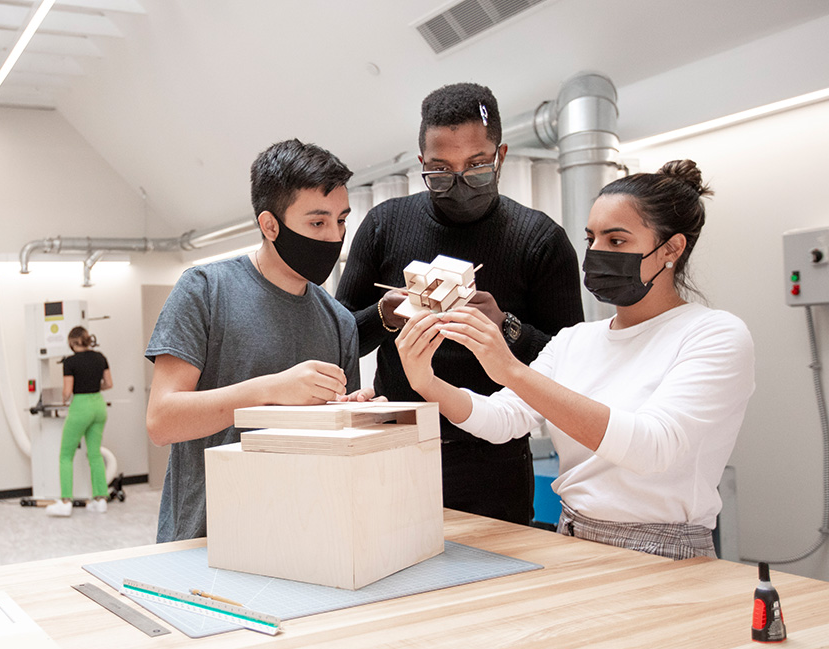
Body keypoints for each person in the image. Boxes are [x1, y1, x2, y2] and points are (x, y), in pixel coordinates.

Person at [396, 160, 755, 560]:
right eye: (591, 239)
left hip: (663, 550)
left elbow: (652, 448)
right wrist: (427, 382)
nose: (597, 253)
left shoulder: (715, 334)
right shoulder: (575, 340)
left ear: (671, 248)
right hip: (570, 537)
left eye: (616, 241)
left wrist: (510, 369)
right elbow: (503, 420)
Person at [336, 82, 584, 525]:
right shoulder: (384, 225)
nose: (459, 183)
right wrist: (383, 316)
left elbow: (571, 366)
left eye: (476, 167)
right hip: (396, 449)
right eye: (440, 171)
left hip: (494, 460)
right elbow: (340, 342)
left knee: (495, 587)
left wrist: (507, 328)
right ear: (420, 165)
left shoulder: (539, 239)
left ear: (501, 157)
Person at [145, 139, 368, 543]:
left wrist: (354, 413)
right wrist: (271, 390)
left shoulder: (338, 321)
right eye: (317, 223)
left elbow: (334, 437)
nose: (334, 238)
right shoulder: (205, 291)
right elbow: (162, 420)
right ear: (270, 225)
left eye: (341, 221)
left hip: (307, 535)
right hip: (206, 539)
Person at [46, 326, 113, 517]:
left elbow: (67, 391)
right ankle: (100, 500)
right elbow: (109, 384)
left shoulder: (70, 361)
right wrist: (93, 386)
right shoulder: (101, 357)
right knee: (95, 454)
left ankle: (65, 501)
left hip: (81, 407)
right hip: (99, 406)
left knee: (66, 455)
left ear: (73, 342)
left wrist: (64, 399)